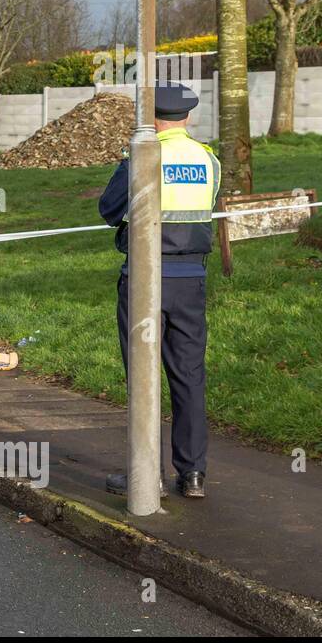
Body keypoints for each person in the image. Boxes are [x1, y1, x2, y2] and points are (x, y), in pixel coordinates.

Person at [98, 81, 221, 499]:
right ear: (186, 116)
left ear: (151, 118)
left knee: (142, 376)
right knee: (189, 377)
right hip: (191, 282)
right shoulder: (208, 159)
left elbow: (107, 210)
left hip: (145, 279)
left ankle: (145, 476)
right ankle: (192, 475)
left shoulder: (142, 155)